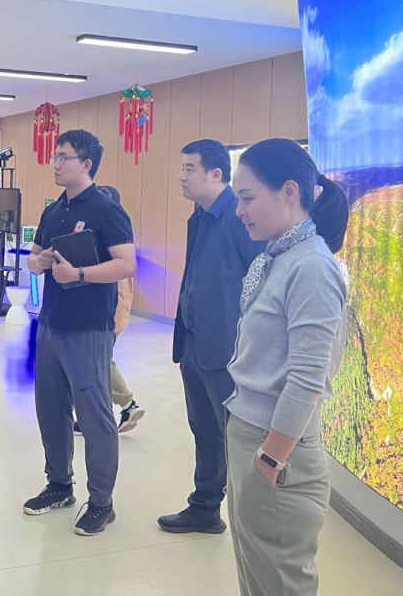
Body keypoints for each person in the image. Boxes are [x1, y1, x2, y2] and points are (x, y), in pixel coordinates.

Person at [226, 138, 349, 596]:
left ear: (290, 192)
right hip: (252, 435)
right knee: (257, 576)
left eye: (247, 197)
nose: (240, 210)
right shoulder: (278, 256)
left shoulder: (311, 266)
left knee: (278, 582)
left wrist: (271, 459)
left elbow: (307, 377)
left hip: (277, 449)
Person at [23, 130, 136, 536]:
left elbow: (126, 264)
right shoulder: (54, 210)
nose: (55, 163)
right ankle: (59, 485)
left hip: (89, 327)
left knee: (94, 416)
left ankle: (101, 502)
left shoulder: (106, 210)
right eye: (54, 156)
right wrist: (39, 263)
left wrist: (80, 274)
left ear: (86, 165)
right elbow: (34, 256)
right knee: (50, 408)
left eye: (63, 157)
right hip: (51, 323)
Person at [158, 139, 267, 535]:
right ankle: (205, 507)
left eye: (189, 169)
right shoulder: (199, 216)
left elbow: (262, 278)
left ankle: (252, 517)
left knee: (236, 436)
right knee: (204, 429)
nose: (181, 177)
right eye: (182, 168)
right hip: (193, 341)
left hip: (227, 350)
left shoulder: (239, 217)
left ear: (216, 174)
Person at [73, 185, 144, 436]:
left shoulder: (112, 235)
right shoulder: (106, 235)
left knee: (95, 363)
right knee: (96, 361)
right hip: (107, 311)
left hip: (109, 313)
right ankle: (123, 406)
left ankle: (119, 407)